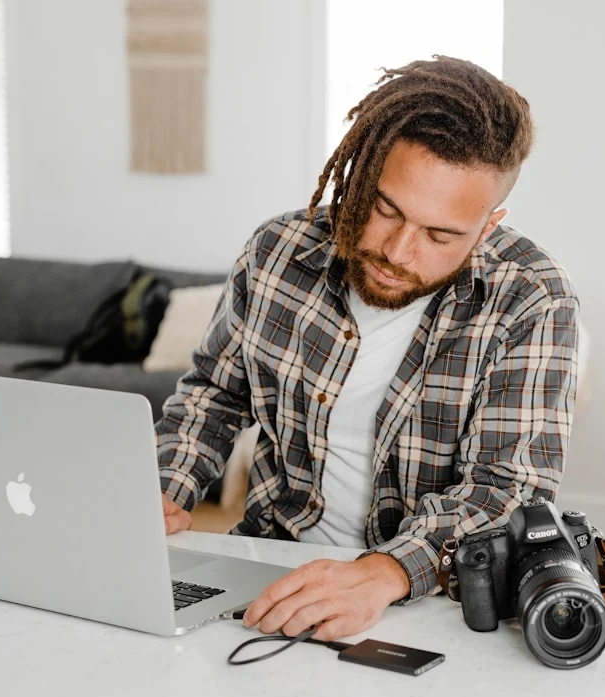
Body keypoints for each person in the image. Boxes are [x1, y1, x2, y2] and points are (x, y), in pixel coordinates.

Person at [155, 56, 579, 641]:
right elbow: (216, 394)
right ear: (360, 175)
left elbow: (507, 488)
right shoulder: (277, 251)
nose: (399, 252)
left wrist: (382, 574)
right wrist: (165, 490)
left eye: (440, 235)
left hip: (435, 600)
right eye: (386, 209)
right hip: (265, 571)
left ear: (487, 227)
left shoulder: (532, 299)